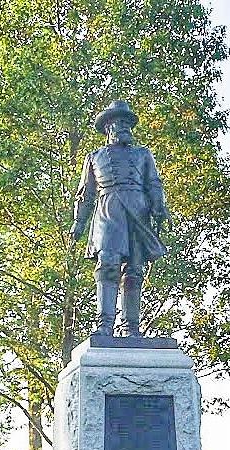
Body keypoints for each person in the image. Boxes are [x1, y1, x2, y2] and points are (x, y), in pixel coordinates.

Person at [70, 100, 169, 336]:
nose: (125, 127)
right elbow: (87, 193)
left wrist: (158, 206)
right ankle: (104, 325)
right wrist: (79, 223)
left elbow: (153, 183)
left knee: (134, 270)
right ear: (108, 128)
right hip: (108, 213)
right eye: (120, 123)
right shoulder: (95, 157)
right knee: (108, 264)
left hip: (137, 212)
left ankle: (131, 328)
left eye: (128, 123)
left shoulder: (143, 154)